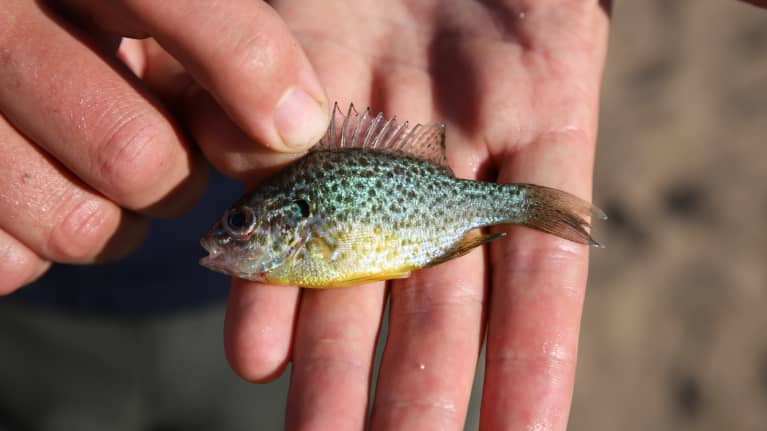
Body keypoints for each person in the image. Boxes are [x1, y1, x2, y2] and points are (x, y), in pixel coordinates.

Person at [0, 1, 762, 430]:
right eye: (235, 229)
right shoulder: (288, 222)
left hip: (241, 343)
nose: (226, 236)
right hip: (41, 305)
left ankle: (533, 210)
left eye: (239, 229)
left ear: (285, 225)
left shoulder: (299, 234)